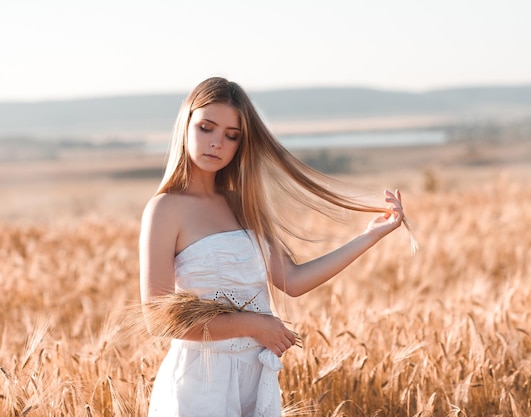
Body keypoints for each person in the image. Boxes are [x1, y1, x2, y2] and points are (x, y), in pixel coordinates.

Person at [139, 77, 408, 417]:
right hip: (200, 384)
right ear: (186, 124)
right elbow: (159, 320)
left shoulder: (242, 204)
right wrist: (251, 324)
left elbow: (292, 280)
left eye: (231, 135)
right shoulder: (165, 209)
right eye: (206, 128)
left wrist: (370, 236)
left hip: (255, 375)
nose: (217, 143)